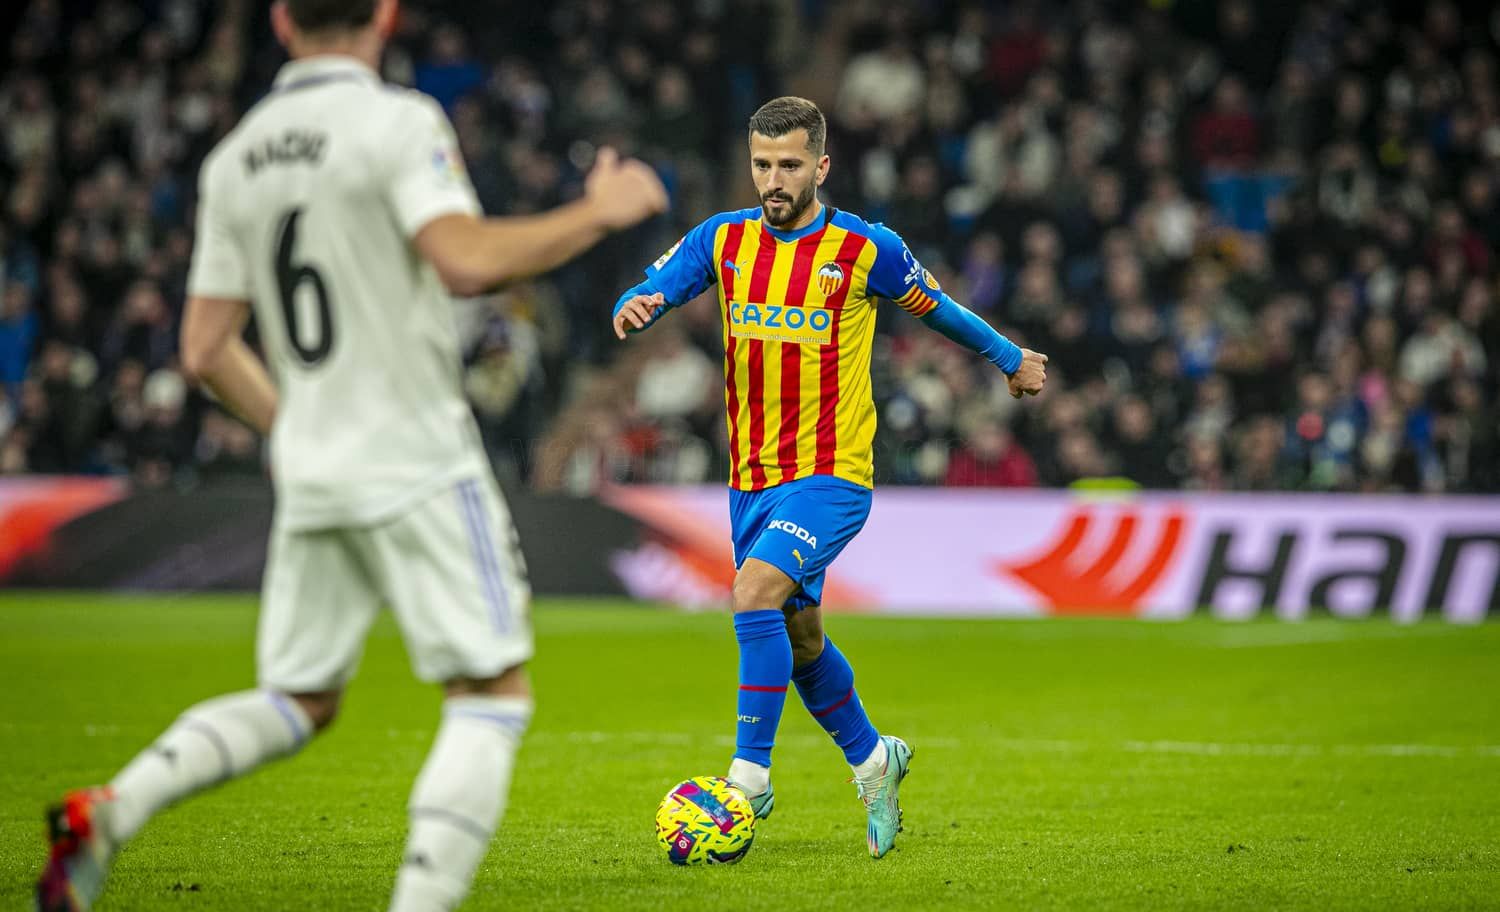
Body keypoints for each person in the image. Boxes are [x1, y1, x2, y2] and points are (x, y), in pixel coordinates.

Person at [35, 1, 667, 910]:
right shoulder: (397, 122)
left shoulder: (236, 156)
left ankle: (112, 808)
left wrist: (292, 425)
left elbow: (206, 346)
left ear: (282, 20)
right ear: (385, 14)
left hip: (315, 464)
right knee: (492, 693)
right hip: (414, 451)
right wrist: (596, 213)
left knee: (300, 697)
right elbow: (463, 260)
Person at [611, 96, 1047, 858]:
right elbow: (658, 284)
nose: (771, 181)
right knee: (800, 637)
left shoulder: (864, 250)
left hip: (831, 471)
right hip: (751, 479)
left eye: (786, 165)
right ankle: (876, 760)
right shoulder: (725, 239)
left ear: (821, 166)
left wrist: (1011, 358)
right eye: (760, 165)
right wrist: (635, 304)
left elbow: (937, 309)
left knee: (752, 593)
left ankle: (748, 777)